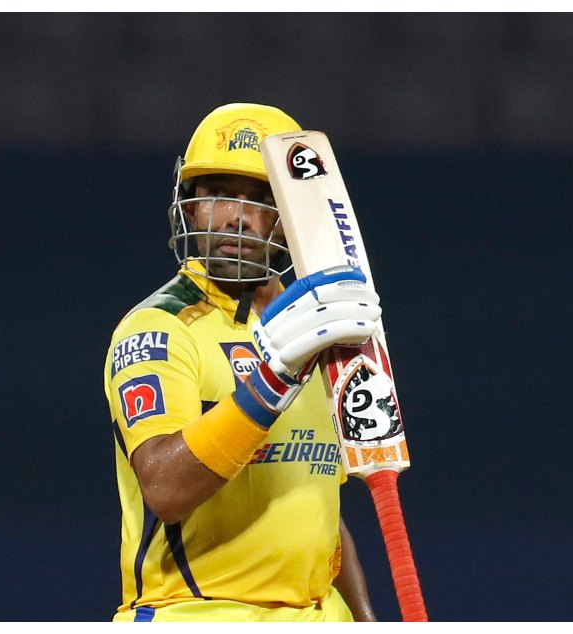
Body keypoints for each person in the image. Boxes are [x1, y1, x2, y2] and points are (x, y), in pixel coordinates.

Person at [103, 103, 382, 622]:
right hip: (198, 614)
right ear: (189, 208)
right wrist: (275, 377)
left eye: (262, 200)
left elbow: (315, 505)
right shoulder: (158, 330)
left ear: (292, 219)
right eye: (219, 193)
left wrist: (366, 621)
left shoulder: (318, 328)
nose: (238, 216)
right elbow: (166, 489)